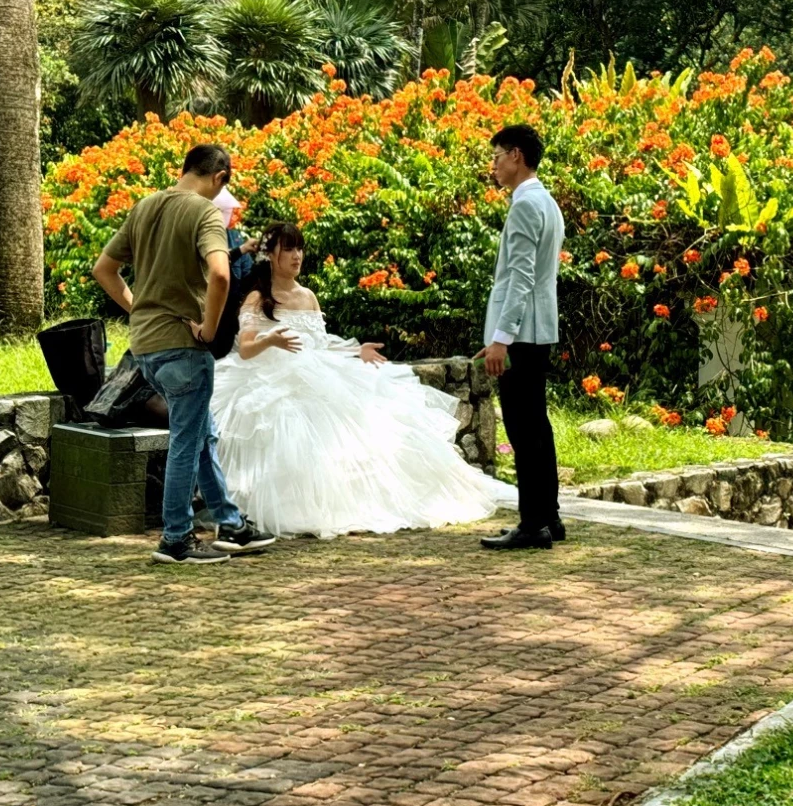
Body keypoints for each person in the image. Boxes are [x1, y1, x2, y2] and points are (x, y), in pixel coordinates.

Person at [210, 222, 516, 538]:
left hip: (314, 374)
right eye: (288, 249)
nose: (296, 255)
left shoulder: (308, 296)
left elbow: (321, 342)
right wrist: (270, 340)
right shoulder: (258, 298)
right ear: (269, 255)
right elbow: (246, 349)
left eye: (299, 248)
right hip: (267, 379)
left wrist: (357, 350)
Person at [91, 143, 277, 565]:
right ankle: (176, 539)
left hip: (145, 347)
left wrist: (139, 308)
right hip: (183, 346)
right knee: (186, 442)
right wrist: (209, 330)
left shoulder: (144, 207)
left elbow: (103, 269)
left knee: (200, 434)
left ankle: (230, 524)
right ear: (220, 177)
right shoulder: (204, 212)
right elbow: (220, 274)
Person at [475, 124, 566, 551]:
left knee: (523, 428)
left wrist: (501, 338)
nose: (493, 165)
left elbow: (520, 277)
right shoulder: (546, 201)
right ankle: (549, 516)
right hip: (537, 329)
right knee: (537, 426)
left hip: (522, 333)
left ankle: (532, 524)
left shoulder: (526, 205)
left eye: (497, 156)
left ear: (516, 155)